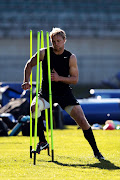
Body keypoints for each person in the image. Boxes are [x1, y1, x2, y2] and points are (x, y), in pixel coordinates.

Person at [22, 27, 105, 160]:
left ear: (64, 40)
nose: (56, 44)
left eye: (58, 41)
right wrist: (26, 81)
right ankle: (42, 141)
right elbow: (29, 65)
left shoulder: (70, 57)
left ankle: (97, 152)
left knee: (83, 122)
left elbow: (75, 79)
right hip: (46, 93)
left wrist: (59, 78)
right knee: (34, 107)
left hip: (65, 94)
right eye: (53, 41)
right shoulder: (44, 53)